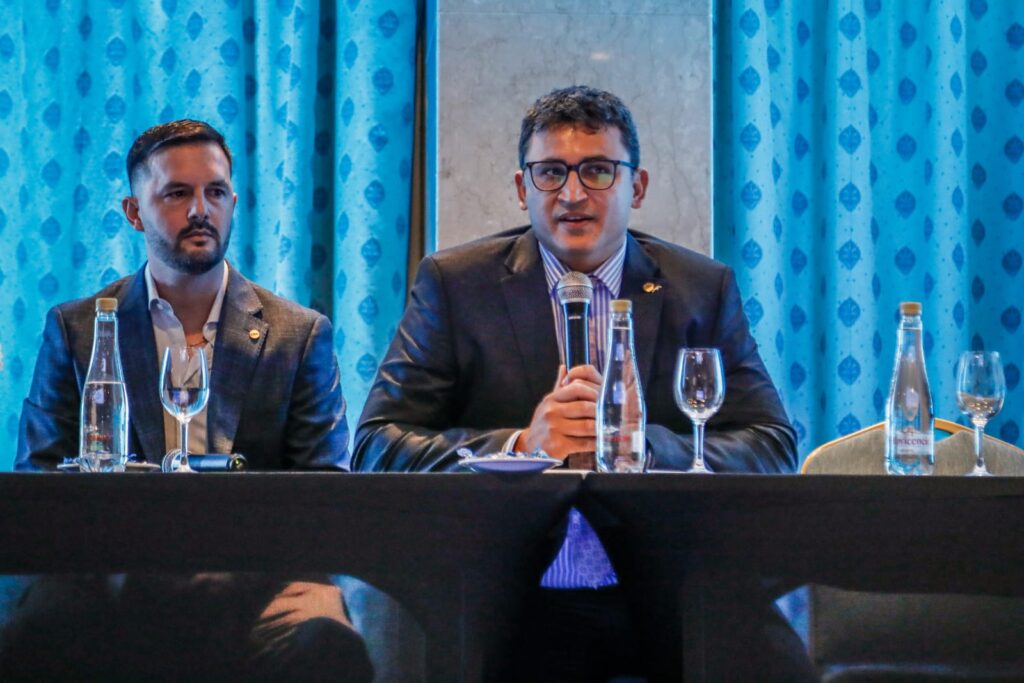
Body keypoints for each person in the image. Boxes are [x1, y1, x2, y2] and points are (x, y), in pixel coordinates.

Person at [353, 86, 817, 681]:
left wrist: (645, 449)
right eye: (550, 173)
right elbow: (378, 446)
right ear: (522, 188)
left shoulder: (700, 289)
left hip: (671, 585)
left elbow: (772, 447)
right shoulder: (456, 285)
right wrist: (521, 447)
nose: (572, 194)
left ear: (636, 187)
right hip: (504, 591)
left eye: (597, 171)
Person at [6, 120, 372, 682]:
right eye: (177, 193)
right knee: (35, 631)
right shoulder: (78, 329)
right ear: (134, 212)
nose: (201, 209)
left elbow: (325, 491)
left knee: (324, 643)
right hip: (113, 581)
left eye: (215, 192)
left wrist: (280, 577)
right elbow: (40, 484)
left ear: (233, 203)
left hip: (258, 585)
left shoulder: (297, 335)